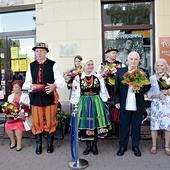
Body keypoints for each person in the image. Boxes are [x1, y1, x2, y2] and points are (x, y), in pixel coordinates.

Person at [22, 42, 65, 155]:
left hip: (49, 97)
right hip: (36, 98)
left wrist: (54, 85)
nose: (39, 52)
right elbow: (26, 84)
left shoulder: (53, 64)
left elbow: (60, 80)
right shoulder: (31, 66)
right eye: (37, 51)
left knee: (51, 121)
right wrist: (31, 86)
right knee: (37, 121)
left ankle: (50, 144)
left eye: (41, 50)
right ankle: (39, 144)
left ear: (46, 52)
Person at [70, 59, 111, 155]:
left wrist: (104, 101)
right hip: (84, 102)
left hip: (96, 102)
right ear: (84, 66)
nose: (91, 66)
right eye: (88, 64)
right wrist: (75, 104)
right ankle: (88, 146)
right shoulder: (78, 78)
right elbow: (75, 92)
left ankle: (95, 145)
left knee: (96, 123)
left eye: (92, 64)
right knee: (86, 124)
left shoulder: (98, 76)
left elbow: (103, 90)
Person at [114, 51, 151, 157]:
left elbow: (148, 86)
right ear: (127, 60)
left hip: (137, 105)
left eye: (136, 59)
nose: (133, 61)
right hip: (125, 105)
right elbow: (116, 88)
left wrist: (140, 88)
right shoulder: (121, 72)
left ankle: (136, 147)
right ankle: (122, 146)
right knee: (124, 127)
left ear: (139, 60)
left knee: (136, 127)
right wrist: (117, 101)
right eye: (131, 59)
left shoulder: (143, 72)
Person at [97, 47, 124, 137]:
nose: (115, 54)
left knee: (117, 107)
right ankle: (108, 129)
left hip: (117, 90)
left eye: (116, 53)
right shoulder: (102, 65)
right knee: (106, 107)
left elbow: (124, 77)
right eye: (113, 53)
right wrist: (104, 76)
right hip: (107, 90)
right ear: (107, 54)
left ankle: (118, 130)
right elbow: (98, 77)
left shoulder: (121, 65)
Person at [147, 58, 170, 156]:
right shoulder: (152, 78)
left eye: (162, 65)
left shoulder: (169, 77)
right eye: (158, 66)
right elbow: (149, 93)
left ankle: (167, 146)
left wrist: (168, 92)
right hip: (156, 104)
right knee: (154, 125)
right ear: (155, 67)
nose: (160, 67)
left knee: (167, 126)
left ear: (166, 66)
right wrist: (157, 95)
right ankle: (154, 145)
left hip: (167, 103)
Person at [5, 80, 30, 151]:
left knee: (18, 127)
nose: (14, 89)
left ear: (20, 88)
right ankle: (13, 141)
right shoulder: (10, 96)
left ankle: (19, 143)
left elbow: (27, 106)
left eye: (16, 87)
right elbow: (8, 106)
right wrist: (8, 112)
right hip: (12, 116)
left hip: (21, 117)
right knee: (8, 126)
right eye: (13, 87)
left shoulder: (25, 96)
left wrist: (23, 113)